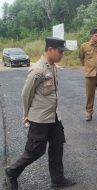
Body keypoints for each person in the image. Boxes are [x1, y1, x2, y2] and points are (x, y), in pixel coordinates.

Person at [5, 37, 76, 189]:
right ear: (50, 50)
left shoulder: (54, 67)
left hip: (54, 116)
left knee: (57, 146)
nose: (62, 55)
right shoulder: (38, 70)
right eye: (60, 51)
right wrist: (25, 114)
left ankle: (57, 179)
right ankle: (12, 172)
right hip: (40, 119)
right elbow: (26, 94)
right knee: (35, 151)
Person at [79, 28, 97, 121]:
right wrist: (88, 67)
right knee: (89, 95)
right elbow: (81, 58)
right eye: (96, 35)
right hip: (89, 75)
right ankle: (89, 113)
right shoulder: (84, 46)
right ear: (91, 36)